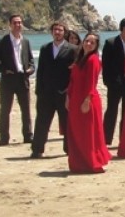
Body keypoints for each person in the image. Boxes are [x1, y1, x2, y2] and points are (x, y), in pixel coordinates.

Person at [66, 32, 111, 173]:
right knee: (77, 132)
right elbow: (72, 81)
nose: (88, 44)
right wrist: (68, 97)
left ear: (96, 45)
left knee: (89, 134)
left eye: (92, 42)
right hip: (75, 99)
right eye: (87, 41)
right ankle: (80, 163)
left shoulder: (93, 60)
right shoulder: (80, 59)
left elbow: (92, 83)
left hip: (88, 101)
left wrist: (87, 100)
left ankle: (92, 162)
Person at [31, 22, 77, 158]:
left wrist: (71, 91)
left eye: (60, 30)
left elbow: (75, 73)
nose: (57, 32)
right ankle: (37, 149)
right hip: (46, 92)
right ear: (52, 32)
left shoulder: (73, 49)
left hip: (64, 92)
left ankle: (70, 149)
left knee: (67, 122)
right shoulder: (45, 48)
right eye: (55, 30)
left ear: (65, 32)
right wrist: (39, 90)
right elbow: (41, 71)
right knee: (42, 122)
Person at [0, 14, 35, 145]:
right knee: (5, 109)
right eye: (15, 23)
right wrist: (4, 70)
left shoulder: (25, 41)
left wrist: (30, 70)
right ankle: (4, 137)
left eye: (20, 22)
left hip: (23, 78)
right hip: (8, 79)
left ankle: (28, 135)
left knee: (26, 109)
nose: (18, 25)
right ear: (10, 25)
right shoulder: (2, 41)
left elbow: (31, 61)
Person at [102, 17, 125, 145]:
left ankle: (124, 140)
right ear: (124, 28)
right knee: (111, 111)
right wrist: (108, 82)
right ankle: (105, 139)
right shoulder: (110, 42)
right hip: (114, 84)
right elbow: (105, 65)